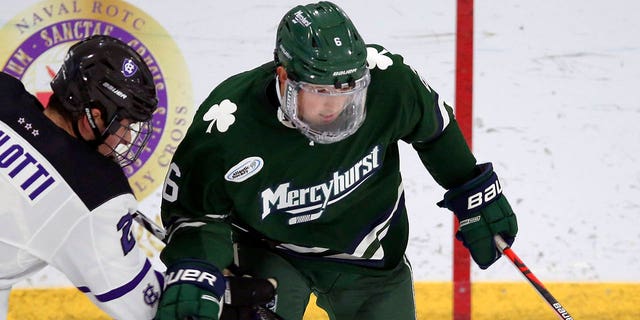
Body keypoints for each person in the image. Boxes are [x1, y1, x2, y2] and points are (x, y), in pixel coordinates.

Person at [155, 2, 518, 319]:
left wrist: (471, 187)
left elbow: (433, 130)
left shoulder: (388, 80)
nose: (334, 108)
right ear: (284, 77)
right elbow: (195, 213)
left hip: (371, 254)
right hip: (268, 254)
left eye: (347, 94)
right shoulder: (226, 126)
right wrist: (196, 267)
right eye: (319, 94)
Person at [0, 35, 163, 319]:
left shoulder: (4, 90)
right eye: (124, 124)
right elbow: (143, 305)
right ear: (93, 117)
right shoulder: (93, 194)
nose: (125, 139)